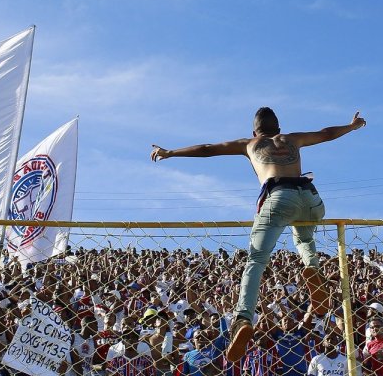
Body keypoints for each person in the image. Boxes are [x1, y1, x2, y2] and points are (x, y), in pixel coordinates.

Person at [151, 108, 368, 362]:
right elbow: (326, 133)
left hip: (279, 197)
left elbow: (209, 148)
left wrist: (171, 152)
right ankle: (312, 268)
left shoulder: (249, 144)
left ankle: (243, 319)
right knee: (305, 238)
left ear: (255, 132)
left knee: (256, 260)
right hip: (312, 198)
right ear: (278, 129)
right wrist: (352, 126)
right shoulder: (293, 139)